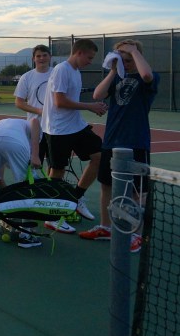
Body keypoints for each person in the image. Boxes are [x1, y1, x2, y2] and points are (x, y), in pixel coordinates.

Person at [80, 40, 158, 252]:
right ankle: (106, 227)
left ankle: (136, 234)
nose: (126, 63)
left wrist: (133, 51)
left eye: (129, 59)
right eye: (122, 59)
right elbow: (97, 95)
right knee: (106, 184)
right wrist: (114, 70)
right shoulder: (117, 77)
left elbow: (147, 76)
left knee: (137, 192)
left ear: (137, 57)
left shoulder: (148, 76)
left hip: (136, 141)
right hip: (112, 140)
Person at [40, 38, 108, 233]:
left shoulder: (76, 72)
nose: (90, 61)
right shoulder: (61, 70)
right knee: (57, 172)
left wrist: (85, 115)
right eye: (89, 57)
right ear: (79, 53)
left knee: (99, 157)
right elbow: (59, 102)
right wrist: (90, 107)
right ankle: (52, 217)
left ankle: (76, 198)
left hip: (75, 126)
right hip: (58, 130)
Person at [0, 117, 43, 248]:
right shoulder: (32, 131)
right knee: (28, 185)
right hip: (13, 141)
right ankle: (26, 235)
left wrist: (9, 198)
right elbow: (35, 121)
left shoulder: (11, 125)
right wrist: (35, 154)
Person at [14, 44, 52, 163]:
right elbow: (19, 102)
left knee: (55, 165)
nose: (41, 58)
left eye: (44, 55)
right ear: (33, 59)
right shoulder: (26, 77)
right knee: (35, 163)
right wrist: (40, 111)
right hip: (36, 129)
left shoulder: (58, 73)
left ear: (50, 57)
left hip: (56, 127)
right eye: (38, 56)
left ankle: (52, 182)